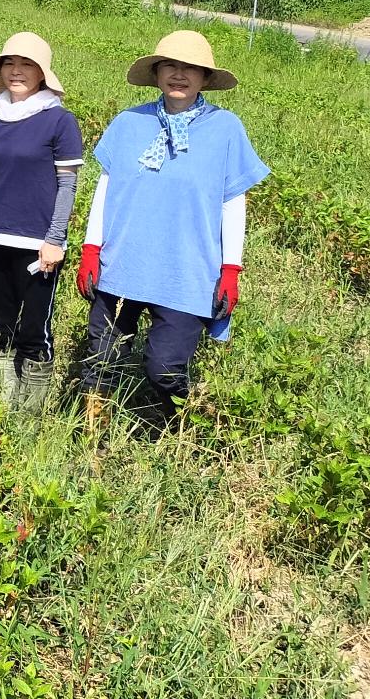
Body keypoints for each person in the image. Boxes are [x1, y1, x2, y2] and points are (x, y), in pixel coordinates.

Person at [74, 29, 269, 434]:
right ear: (157, 73)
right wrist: (91, 249)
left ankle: (178, 429)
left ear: (204, 78)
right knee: (101, 358)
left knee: (163, 368)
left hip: (187, 271)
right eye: (170, 66)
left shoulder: (225, 128)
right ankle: (93, 438)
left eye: (190, 68)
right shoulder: (129, 122)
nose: (179, 75)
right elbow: (104, 188)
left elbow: (233, 201)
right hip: (123, 263)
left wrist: (230, 270)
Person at [0, 32, 84, 410]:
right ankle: (5, 395)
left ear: (42, 73)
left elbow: (67, 186)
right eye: (10, 63)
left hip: (37, 244)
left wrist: (55, 238)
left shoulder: (59, 121)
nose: (17, 71)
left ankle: (30, 411)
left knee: (34, 327)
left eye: (27, 64)